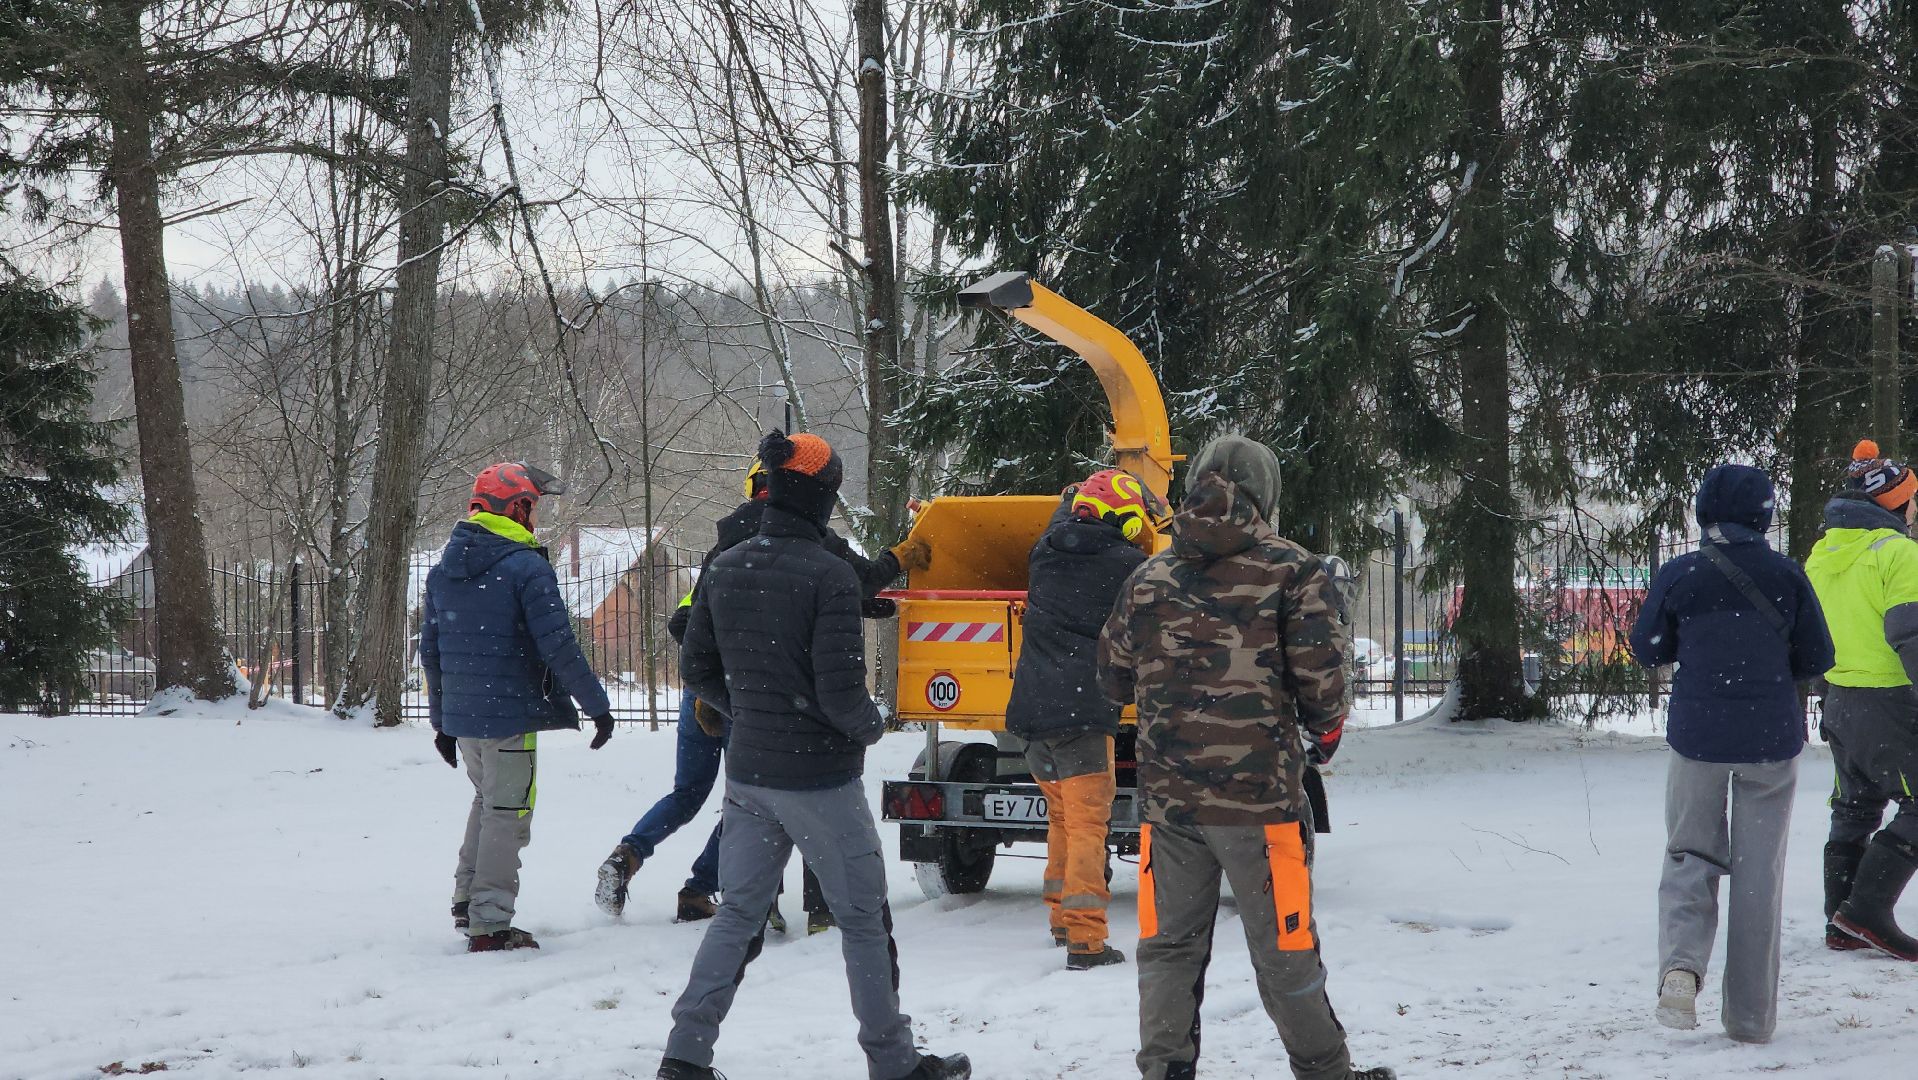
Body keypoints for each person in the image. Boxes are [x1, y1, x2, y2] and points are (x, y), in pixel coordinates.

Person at [657, 430, 967, 1080]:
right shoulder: (827, 574)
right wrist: (871, 726)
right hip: (820, 780)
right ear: (821, 497)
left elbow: (697, 665)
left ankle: (684, 1057)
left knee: (738, 914)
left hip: (749, 775)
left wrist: (752, 710)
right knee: (862, 919)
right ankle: (895, 1063)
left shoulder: (726, 563)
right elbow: (840, 694)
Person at [1098, 435, 1393, 1080]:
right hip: (1262, 805)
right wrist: (1313, 723)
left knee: (1168, 947)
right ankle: (1325, 1072)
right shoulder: (1297, 570)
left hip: (1169, 808)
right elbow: (1325, 688)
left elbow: (1111, 680)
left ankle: (1166, 1069)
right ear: (1266, 494)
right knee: (1285, 946)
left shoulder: (1148, 576)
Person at [595, 452, 930, 930]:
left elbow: (684, 623)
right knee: (762, 797)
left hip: (710, 687)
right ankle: (743, 896)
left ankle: (635, 856)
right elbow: (854, 581)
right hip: (761, 695)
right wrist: (898, 558)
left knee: (694, 793)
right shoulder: (808, 537)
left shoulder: (724, 549)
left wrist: (712, 691)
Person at [1627, 464, 1834, 1041]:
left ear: (1704, 514)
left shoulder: (1681, 574)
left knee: (1690, 855)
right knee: (1757, 877)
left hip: (1698, 738)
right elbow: (1816, 656)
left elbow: (1647, 647)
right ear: (1764, 515)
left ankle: (1680, 969)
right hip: (1770, 742)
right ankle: (1749, 1018)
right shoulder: (1786, 576)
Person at [419, 462, 616, 953]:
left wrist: (443, 721)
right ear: (514, 506)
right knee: (509, 814)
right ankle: (490, 924)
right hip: (508, 716)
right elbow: (559, 646)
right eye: (530, 506)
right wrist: (597, 706)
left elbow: (432, 650)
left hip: (466, 718)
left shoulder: (445, 569)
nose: (534, 518)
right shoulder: (525, 567)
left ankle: (468, 901)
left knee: (488, 803)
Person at [1005, 468, 1154, 969]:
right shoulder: (1130, 565)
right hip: (1082, 716)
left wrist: (1073, 495)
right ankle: (1087, 940)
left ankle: (1059, 919)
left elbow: (1060, 520)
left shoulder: (1045, 553)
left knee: (1063, 820)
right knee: (1090, 826)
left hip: (1030, 714)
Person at [1805, 439, 1918, 962]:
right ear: (1894, 503)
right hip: (1890, 699)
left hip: (1838, 698)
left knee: (1855, 804)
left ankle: (1840, 918)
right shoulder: (1899, 554)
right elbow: (1909, 634)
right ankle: (1867, 910)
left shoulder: (1823, 553)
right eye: (1913, 499)